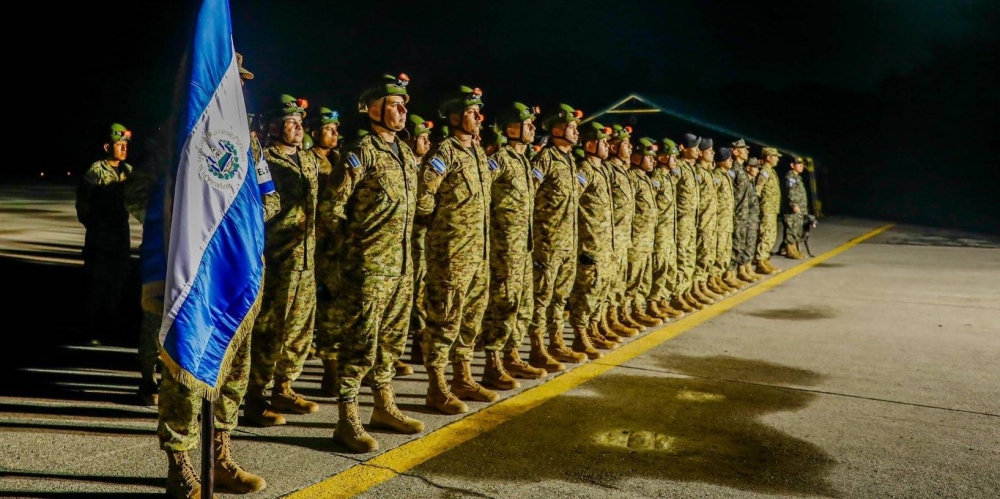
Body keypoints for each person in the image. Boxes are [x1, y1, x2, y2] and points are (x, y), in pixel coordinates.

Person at [128, 51, 273, 498]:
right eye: (233, 81)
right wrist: (188, 233)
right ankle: (180, 464)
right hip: (191, 275)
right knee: (184, 372)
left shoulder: (249, 143)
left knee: (234, 371)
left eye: (242, 82)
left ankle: (222, 455)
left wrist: (237, 224)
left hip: (235, 272)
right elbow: (138, 199)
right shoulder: (177, 141)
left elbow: (271, 200)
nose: (239, 88)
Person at [317, 73, 425, 452]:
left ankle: (384, 407)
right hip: (368, 266)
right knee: (360, 343)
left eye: (404, 104)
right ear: (374, 109)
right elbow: (331, 209)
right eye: (395, 104)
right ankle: (347, 420)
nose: (403, 110)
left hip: (402, 266)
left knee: (391, 341)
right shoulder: (360, 150)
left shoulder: (405, 153)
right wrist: (354, 250)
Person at [245, 94, 321, 427]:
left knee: (300, 330)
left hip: (306, 259)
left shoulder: (309, 160)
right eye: (290, 122)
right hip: (279, 258)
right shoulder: (265, 159)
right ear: (274, 126)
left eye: (300, 122)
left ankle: (284, 386)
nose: (297, 127)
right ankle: (254, 397)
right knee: (270, 331)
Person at [417, 85, 494, 414]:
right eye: (471, 112)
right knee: (444, 320)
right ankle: (437, 386)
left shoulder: (477, 153)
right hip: (451, 253)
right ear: (454, 117)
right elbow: (423, 197)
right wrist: (441, 229)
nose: (479, 117)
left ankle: (463, 376)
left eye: (479, 111)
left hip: (478, 253)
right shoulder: (444, 152)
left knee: (471, 319)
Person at [480, 102, 550, 383]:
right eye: (527, 123)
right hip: (504, 247)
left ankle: (512, 356)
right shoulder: (501, 160)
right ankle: (492, 363)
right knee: (502, 304)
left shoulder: (524, 161)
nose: (533, 128)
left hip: (523, 246)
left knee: (522, 304)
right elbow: (482, 195)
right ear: (511, 129)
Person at [530, 104, 588, 369]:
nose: (577, 132)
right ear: (557, 129)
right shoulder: (545, 159)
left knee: (559, 297)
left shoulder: (569, 160)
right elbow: (528, 194)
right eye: (572, 127)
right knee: (541, 298)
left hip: (567, 241)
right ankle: (536, 348)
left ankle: (556, 343)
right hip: (547, 241)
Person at [76, 123, 136, 347]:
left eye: (125, 145)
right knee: (96, 285)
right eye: (119, 144)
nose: (123, 149)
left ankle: (112, 328)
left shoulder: (129, 172)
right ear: (107, 146)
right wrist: (92, 224)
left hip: (120, 237)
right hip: (100, 238)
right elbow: (83, 202)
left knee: (118, 282)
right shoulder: (96, 171)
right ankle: (92, 329)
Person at [567, 122, 618, 361]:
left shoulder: (601, 170)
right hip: (589, 241)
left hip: (604, 241)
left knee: (601, 287)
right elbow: (570, 201)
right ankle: (580, 333)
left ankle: (593, 327)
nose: (608, 146)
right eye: (603, 142)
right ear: (590, 145)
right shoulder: (584, 170)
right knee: (587, 289)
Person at [400, 114, 434, 377]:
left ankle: (417, 345)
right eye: (422, 138)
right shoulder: (402, 165)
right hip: (405, 243)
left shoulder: (426, 167)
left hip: (424, 240)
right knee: (408, 296)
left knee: (421, 292)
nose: (427, 143)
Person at [604, 125, 644, 335]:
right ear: (613, 147)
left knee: (620, 279)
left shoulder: (623, 172)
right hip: (609, 238)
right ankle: (603, 322)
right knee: (607, 282)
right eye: (625, 144)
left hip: (623, 236)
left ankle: (616, 315)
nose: (630, 147)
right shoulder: (608, 171)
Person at [623, 137, 664, 328]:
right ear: (638, 158)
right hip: (635, 239)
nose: (653, 161)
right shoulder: (632, 179)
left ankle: (637, 309)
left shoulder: (645, 179)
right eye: (649, 157)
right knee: (631, 279)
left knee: (643, 278)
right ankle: (623, 313)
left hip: (646, 239)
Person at [648, 138, 686, 318]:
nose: (676, 160)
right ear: (662, 157)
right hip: (660, 230)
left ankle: (663, 299)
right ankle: (653, 302)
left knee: (669, 266)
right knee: (660, 266)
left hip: (669, 230)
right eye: (672, 157)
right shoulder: (657, 178)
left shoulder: (668, 177)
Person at [675, 134, 708, 309]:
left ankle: (687, 292)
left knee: (689, 257)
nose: (697, 151)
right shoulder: (678, 169)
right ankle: (678, 295)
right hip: (680, 223)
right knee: (681, 259)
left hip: (691, 222)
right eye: (694, 148)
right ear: (683, 148)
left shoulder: (690, 169)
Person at [694, 138, 723, 302]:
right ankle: (697, 288)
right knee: (702, 254)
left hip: (711, 220)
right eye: (709, 150)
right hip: (702, 221)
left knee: (709, 254)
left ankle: (704, 284)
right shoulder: (698, 173)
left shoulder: (707, 173)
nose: (712, 153)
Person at [730, 138, 761, 283]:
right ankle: (732, 274)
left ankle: (743, 269)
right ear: (735, 151)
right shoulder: (734, 169)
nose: (747, 151)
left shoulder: (741, 169)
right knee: (736, 245)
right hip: (737, 215)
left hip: (745, 215)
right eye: (744, 149)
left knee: (743, 243)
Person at [713, 147, 743, 291]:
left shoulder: (725, 175)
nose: (731, 160)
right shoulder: (717, 176)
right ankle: (713, 280)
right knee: (718, 252)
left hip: (726, 221)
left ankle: (719, 278)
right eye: (728, 158)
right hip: (719, 222)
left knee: (724, 252)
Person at [755, 147, 783, 274]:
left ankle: (765, 259)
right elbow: (758, 187)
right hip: (766, 208)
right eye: (775, 156)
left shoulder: (771, 171)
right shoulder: (765, 171)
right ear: (768, 157)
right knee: (765, 234)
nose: (777, 159)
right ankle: (760, 261)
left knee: (771, 235)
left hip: (772, 208)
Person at [781, 156, 809, 259]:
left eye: (802, 165)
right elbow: (790, 193)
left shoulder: (797, 177)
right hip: (792, 210)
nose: (801, 166)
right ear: (792, 165)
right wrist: (794, 205)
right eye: (799, 164)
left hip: (799, 210)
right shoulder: (790, 178)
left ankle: (795, 249)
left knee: (796, 229)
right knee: (791, 230)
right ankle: (790, 250)